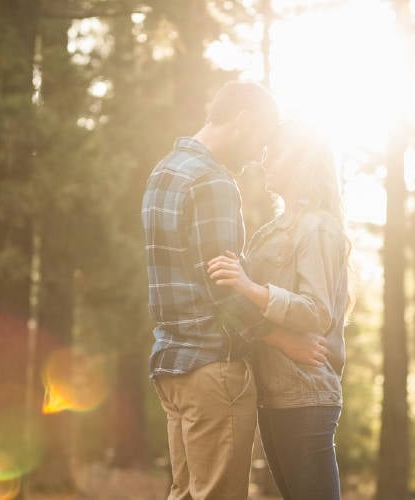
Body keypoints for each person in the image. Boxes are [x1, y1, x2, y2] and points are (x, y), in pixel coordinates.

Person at [142, 83, 328, 500]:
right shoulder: (213, 183)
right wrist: (284, 339)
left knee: (186, 493)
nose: (258, 157)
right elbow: (223, 289)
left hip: (174, 367)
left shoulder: (166, 171)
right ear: (244, 121)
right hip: (214, 369)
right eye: (261, 140)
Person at [208, 122, 353, 500]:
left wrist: (249, 287)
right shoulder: (271, 232)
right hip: (272, 394)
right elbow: (238, 307)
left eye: (275, 152)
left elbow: (317, 312)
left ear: (301, 162)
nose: (264, 160)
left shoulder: (317, 228)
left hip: (305, 395)